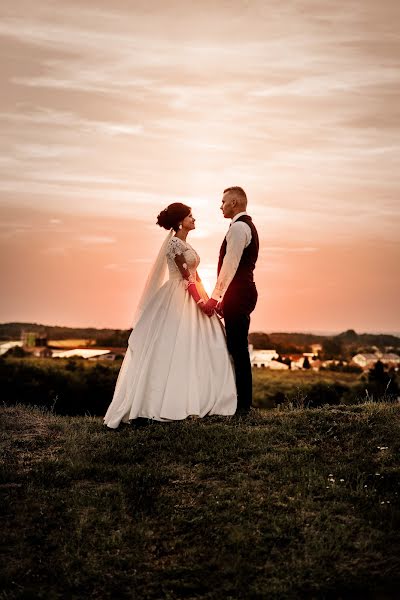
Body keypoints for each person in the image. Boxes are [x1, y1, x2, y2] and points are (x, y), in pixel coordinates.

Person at [103, 203, 237, 428]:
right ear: (179, 221)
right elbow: (186, 277)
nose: (194, 219)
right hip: (178, 296)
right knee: (173, 347)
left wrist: (211, 301)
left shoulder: (186, 243)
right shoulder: (174, 244)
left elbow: (196, 276)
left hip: (194, 293)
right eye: (190, 216)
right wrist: (201, 302)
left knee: (203, 345)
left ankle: (202, 397)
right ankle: (156, 404)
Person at [202, 187, 259, 414]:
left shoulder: (239, 228)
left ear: (234, 203)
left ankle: (244, 406)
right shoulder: (243, 226)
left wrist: (215, 299)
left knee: (238, 350)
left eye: (223, 201)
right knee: (235, 348)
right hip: (239, 294)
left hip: (239, 293)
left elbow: (230, 266)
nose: (221, 205)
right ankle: (238, 402)